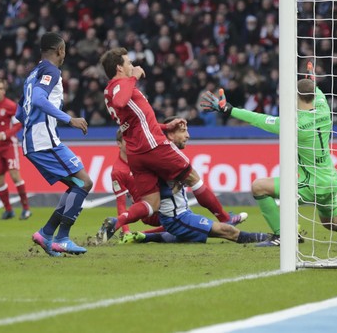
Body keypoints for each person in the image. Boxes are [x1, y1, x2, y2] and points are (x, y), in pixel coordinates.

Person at [199, 63, 337, 246]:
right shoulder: (323, 107)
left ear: (295, 96)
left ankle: (283, 235)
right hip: (330, 179)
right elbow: (314, 88)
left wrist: (228, 109)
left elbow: (259, 119)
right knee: (333, 223)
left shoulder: (294, 124)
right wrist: (311, 78)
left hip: (311, 184)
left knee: (259, 187)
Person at [97, 48, 244, 243]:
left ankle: (115, 223)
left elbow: (138, 122)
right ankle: (225, 219)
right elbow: (121, 101)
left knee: (151, 203)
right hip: (153, 146)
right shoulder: (121, 85)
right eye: (128, 63)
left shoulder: (109, 90)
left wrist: (166, 126)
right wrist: (134, 78)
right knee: (193, 177)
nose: (132, 66)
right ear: (119, 67)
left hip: (136, 153)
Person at [125, 118, 269, 245]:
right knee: (228, 231)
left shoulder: (169, 157)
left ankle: (145, 237)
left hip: (181, 215)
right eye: (183, 131)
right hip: (177, 218)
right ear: (170, 135)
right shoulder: (162, 161)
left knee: (183, 238)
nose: (188, 135)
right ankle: (269, 237)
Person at [18, 32, 92, 256]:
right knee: (84, 183)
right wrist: (69, 119)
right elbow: (39, 100)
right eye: (65, 49)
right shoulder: (51, 70)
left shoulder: (32, 74)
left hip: (34, 140)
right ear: (60, 50)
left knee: (75, 185)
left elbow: (20, 111)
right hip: (44, 141)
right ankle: (62, 237)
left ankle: (46, 233)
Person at [0, 78, 31, 220]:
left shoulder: (10, 105)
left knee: (15, 175)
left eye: (0, 88)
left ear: (4, 91)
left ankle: (26, 209)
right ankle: (8, 210)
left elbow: (18, 125)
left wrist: (4, 134)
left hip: (9, 145)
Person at [108, 128, 163, 242]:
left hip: (164, 204)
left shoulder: (143, 158)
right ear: (119, 144)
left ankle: (141, 235)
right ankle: (136, 235)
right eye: (127, 140)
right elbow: (121, 203)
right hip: (149, 212)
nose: (132, 143)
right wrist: (125, 230)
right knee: (181, 227)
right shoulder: (118, 171)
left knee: (181, 228)